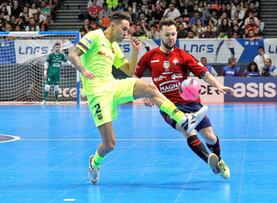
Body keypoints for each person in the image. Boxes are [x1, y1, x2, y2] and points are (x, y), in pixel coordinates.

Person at [68, 12, 208, 184]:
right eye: (124, 29)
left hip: (113, 86)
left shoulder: (114, 46)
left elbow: (128, 70)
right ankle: (94, 162)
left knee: (149, 87)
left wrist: (135, 51)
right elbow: (72, 54)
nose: (126, 33)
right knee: (110, 144)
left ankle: (183, 119)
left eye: (128, 30)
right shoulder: (95, 36)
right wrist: (83, 70)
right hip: (97, 94)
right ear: (112, 26)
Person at [134, 18, 232, 179]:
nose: (171, 37)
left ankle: (218, 161)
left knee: (210, 136)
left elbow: (203, 73)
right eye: (167, 35)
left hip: (191, 102)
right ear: (160, 34)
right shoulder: (150, 56)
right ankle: (208, 159)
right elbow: (135, 76)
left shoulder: (183, 55)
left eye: (173, 34)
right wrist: (142, 94)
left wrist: (217, 85)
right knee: (187, 130)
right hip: (167, 105)